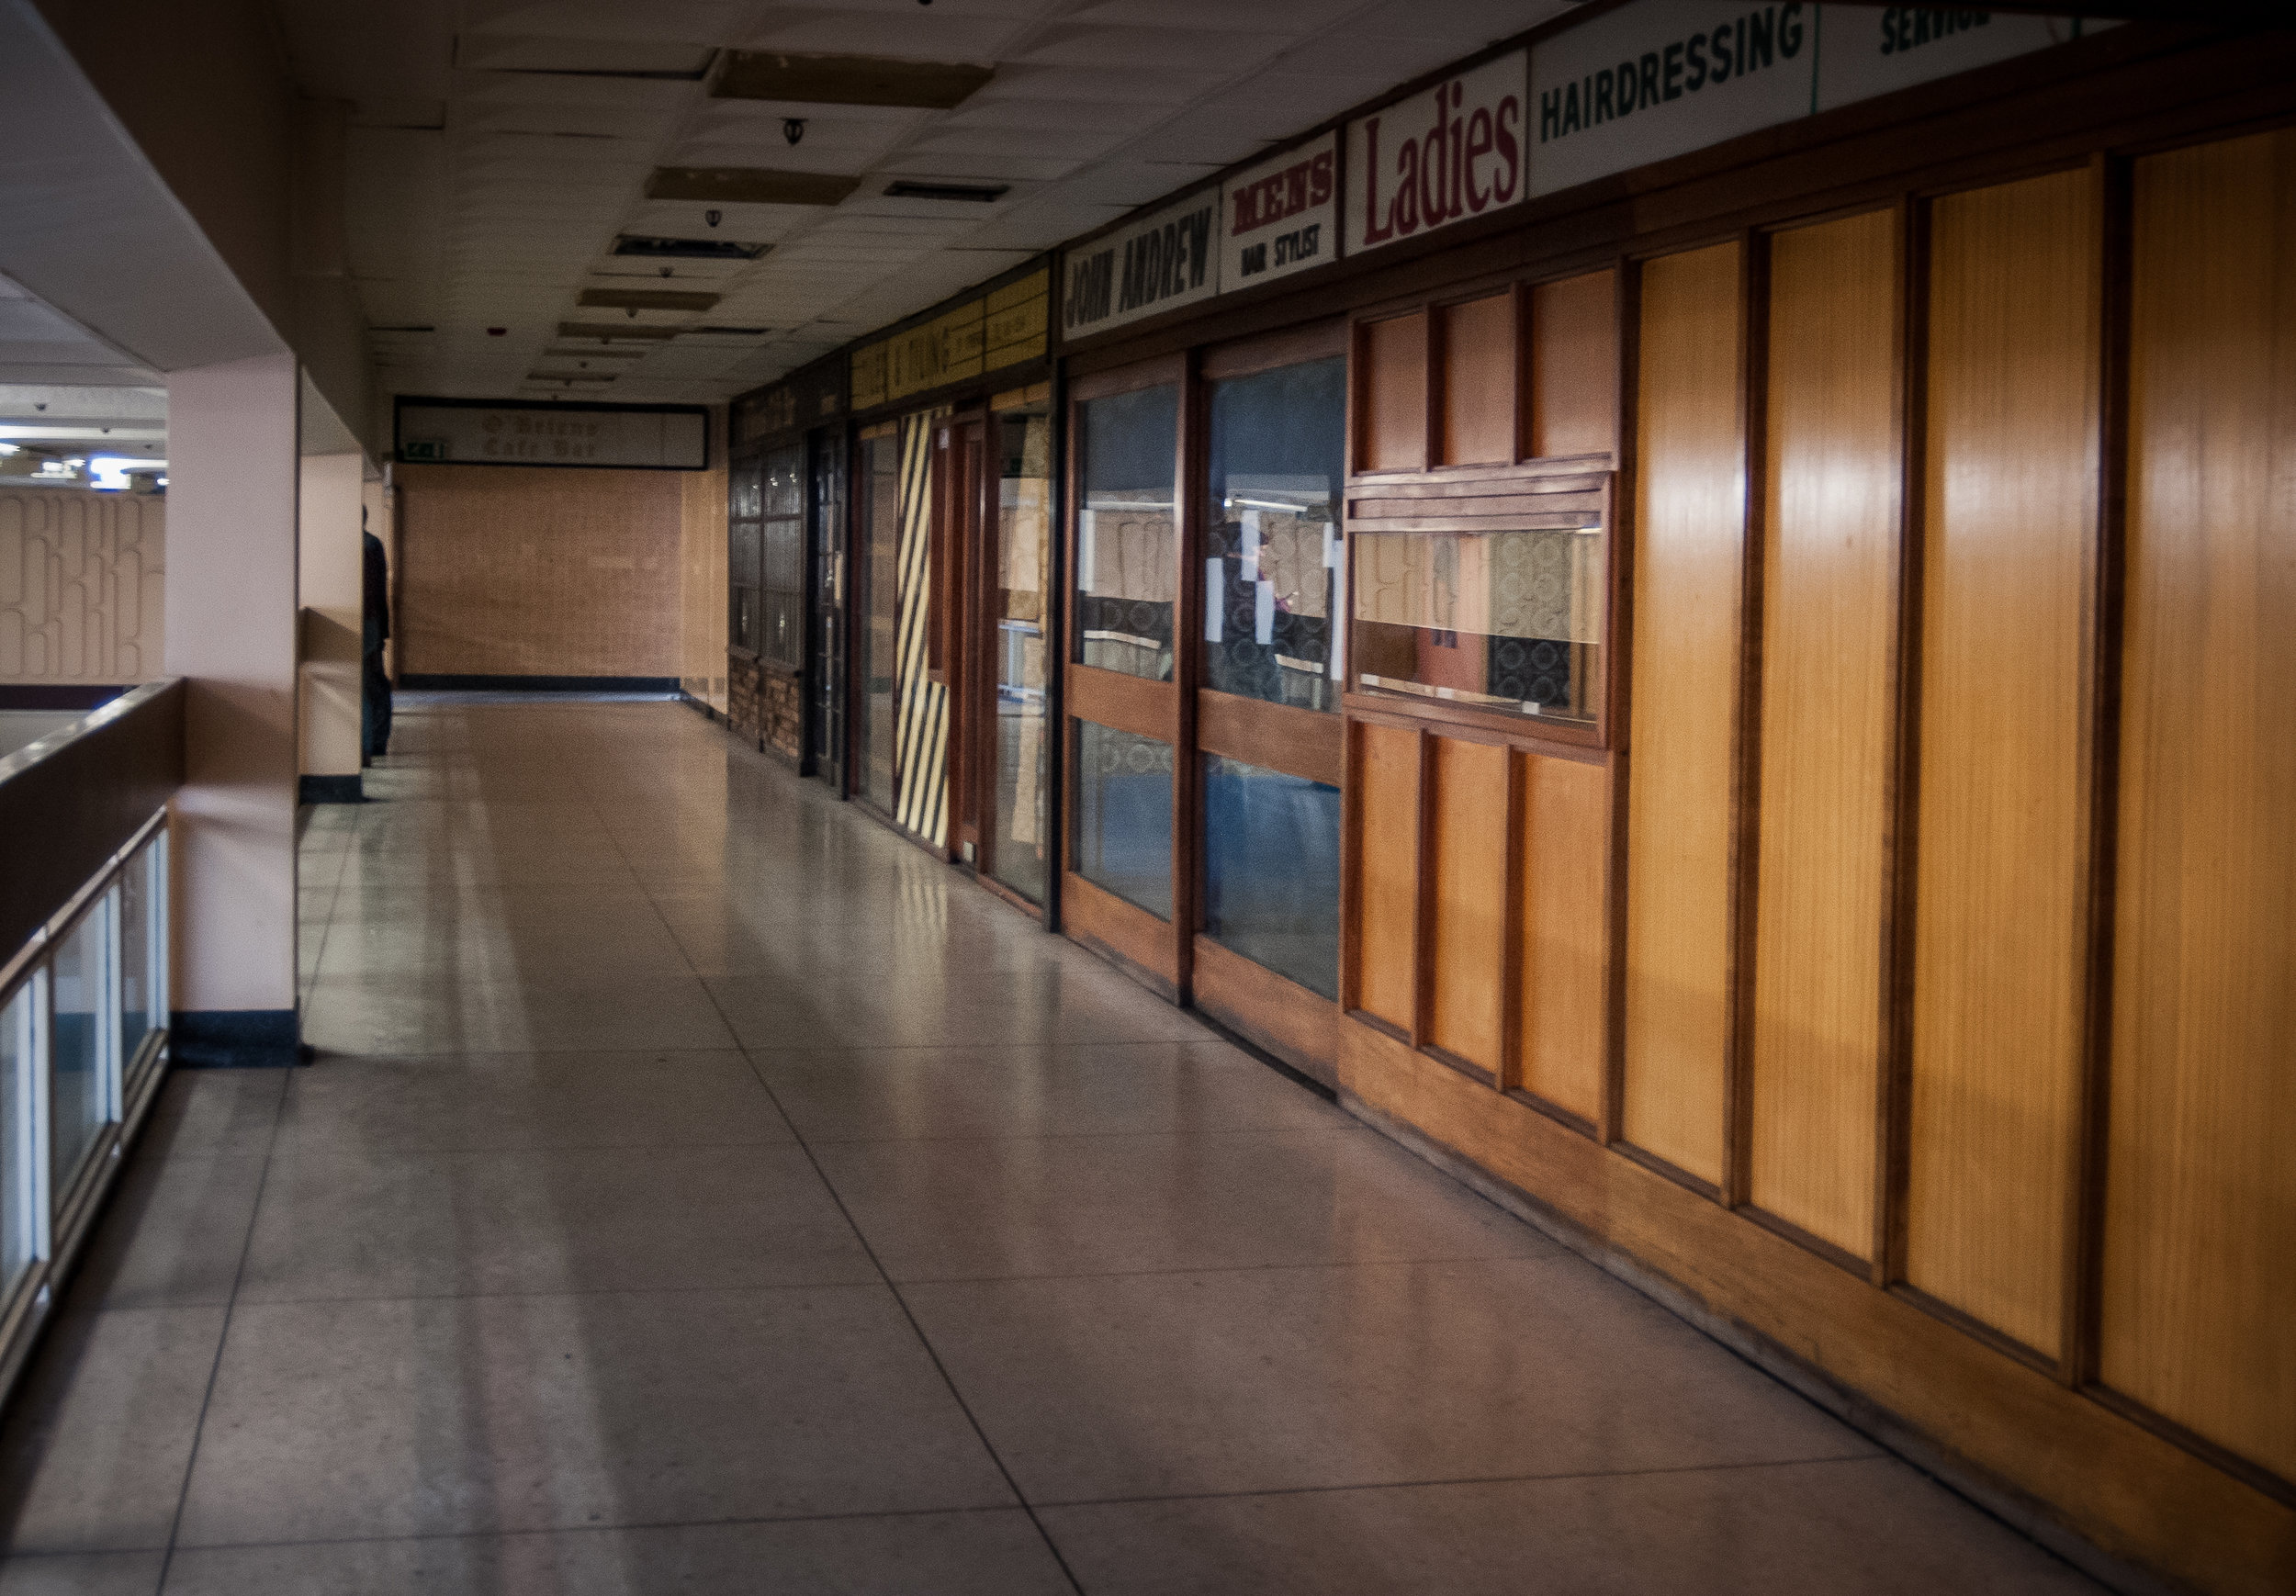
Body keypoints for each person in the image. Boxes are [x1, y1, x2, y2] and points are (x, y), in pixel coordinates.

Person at [362, 510, 392, 762]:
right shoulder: (373, 544)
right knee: (375, 684)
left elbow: (371, 593)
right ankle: (377, 742)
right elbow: (379, 593)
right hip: (373, 625)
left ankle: (368, 746)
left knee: (367, 687)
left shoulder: (363, 547)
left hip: (364, 626)